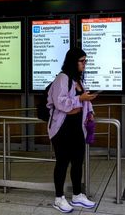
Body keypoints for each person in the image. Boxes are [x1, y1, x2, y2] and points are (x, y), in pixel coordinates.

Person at [47, 47, 97, 213]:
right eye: (82, 61)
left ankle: (77, 195)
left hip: (77, 127)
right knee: (62, 162)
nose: (85, 64)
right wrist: (80, 98)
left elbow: (82, 102)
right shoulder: (63, 78)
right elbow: (60, 102)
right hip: (62, 128)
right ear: (73, 62)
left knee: (77, 162)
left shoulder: (77, 79)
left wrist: (89, 111)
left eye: (85, 61)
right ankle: (59, 198)